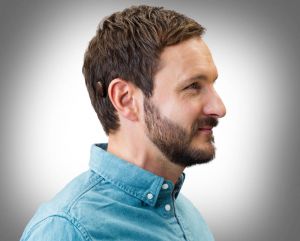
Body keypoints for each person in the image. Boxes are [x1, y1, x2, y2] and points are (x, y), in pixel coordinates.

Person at [20, 5, 226, 241]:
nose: (219, 108)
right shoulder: (66, 231)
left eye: (212, 84)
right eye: (193, 86)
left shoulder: (188, 216)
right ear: (125, 99)